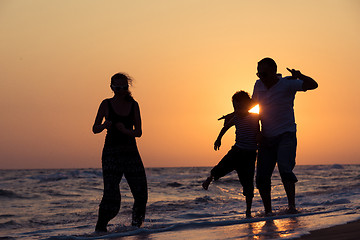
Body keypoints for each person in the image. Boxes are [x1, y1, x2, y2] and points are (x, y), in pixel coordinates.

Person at [252, 57, 318, 215]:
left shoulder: (287, 83)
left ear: (274, 71)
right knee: (261, 177)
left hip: (286, 135)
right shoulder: (258, 85)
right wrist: (257, 131)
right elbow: (254, 109)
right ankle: (268, 212)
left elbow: (313, 85)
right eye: (259, 74)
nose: (262, 78)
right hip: (266, 137)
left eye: (265, 74)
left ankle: (292, 208)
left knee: (285, 169)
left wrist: (300, 75)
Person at [92, 73, 148, 232]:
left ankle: (137, 229)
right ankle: (100, 230)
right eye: (118, 88)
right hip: (111, 153)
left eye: (124, 87)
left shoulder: (134, 105)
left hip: (131, 152)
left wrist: (125, 131)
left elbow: (139, 132)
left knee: (141, 193)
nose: (121, 91)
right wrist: (104, 125)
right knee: (111, 196)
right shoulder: (106, 104)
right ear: (112, 87)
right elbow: (95, 128)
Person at [202, 91, 259, 218]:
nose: (237, 109)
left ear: (248, 105)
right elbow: (225, 128)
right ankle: (209, 179)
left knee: (248, 183)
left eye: (240, 106)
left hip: (249, 155)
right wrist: (218, 139)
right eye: (235, 107)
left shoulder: (255, 117)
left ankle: (248, 212)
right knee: (221, 166)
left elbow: (265, 116)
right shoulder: (236, 118)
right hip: (237, 151)